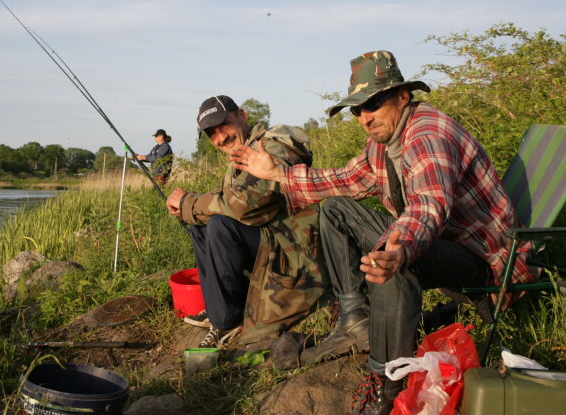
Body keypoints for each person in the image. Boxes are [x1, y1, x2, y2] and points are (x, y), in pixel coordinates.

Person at [229, 51, 536, 414]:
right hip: (439, 243)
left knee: (390, 257)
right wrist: (276, 173)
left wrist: (400, 247)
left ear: (403, 95)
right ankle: (354, 320)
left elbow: (429, 204)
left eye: (374, 103)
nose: (365, 117)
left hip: (484, 259)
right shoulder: (382, 143)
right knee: (335, 210)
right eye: (357, 109)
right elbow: (343, 181)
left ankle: (387, 385)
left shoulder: (427, 133)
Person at [166, 95, 326, 348]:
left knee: (220, 224)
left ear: (242, 115)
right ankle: (223, 308)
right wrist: (189, 208)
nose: (220, 138)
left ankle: (225, 322)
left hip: (297, 251)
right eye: (212, 134)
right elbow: (225, 202)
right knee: (200, 224)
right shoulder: (239, 156)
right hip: (272, 242)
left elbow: (244, 205)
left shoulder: (272, 146)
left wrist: (189, 203)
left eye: (224, 125)